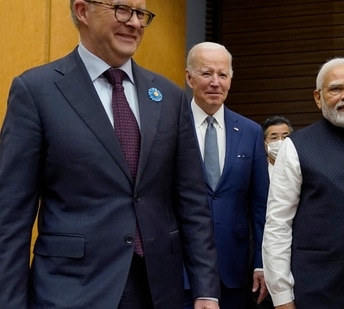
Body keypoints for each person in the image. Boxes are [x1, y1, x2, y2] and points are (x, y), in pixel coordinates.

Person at [0, 1, 221, 308]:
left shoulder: (169, 98)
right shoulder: (37, 91)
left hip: (158, 292)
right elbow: (10, 216)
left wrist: (206, 290)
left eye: (140, 14)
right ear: (82, 11)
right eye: (121, 9)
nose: (134, 23)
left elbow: (193, 203)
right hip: (71, 292)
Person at [262, 57, 344, 308]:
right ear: (318, 97)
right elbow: (278, 225)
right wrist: (282, 295)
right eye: (336, 89)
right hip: (317, 292)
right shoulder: (295, 147)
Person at [184, 42, 270, 309]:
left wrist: (261, 262)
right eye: (206, 73)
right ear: (189, 77)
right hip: (181, 269)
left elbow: (260, 206)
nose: (215, 82)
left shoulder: (250, 131)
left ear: (231, 79)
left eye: (222, 75)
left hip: (235, 269)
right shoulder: (170, 126)